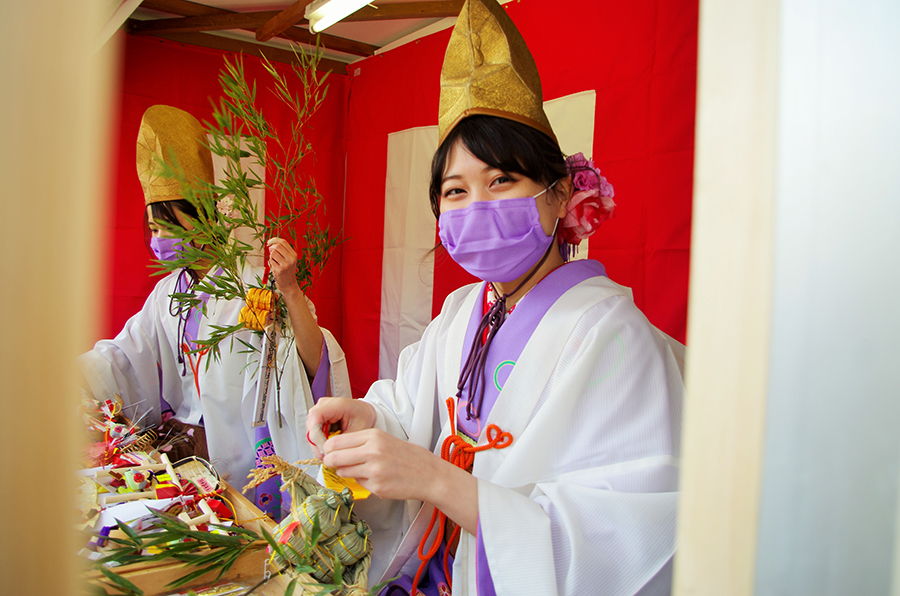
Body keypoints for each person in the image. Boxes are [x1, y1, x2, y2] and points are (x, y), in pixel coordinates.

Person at [304, 1, 684, 594]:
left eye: (501, 180)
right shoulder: (461, 313)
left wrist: (435, 480)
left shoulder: (612, 334)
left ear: (560, 195)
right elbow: (415, 410)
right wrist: (371, 417)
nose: (476, 206)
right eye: (455, 191)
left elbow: (626, 533)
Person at [80, 105, 350, 517]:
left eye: (166, 226)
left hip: (246, 459)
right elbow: (121, 359)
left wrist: (291, 291)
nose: (158, 241)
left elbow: (310, 366)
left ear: (203, 217)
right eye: (152, 229)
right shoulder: (168, 293)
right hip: (182, 457)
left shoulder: (254, 287)